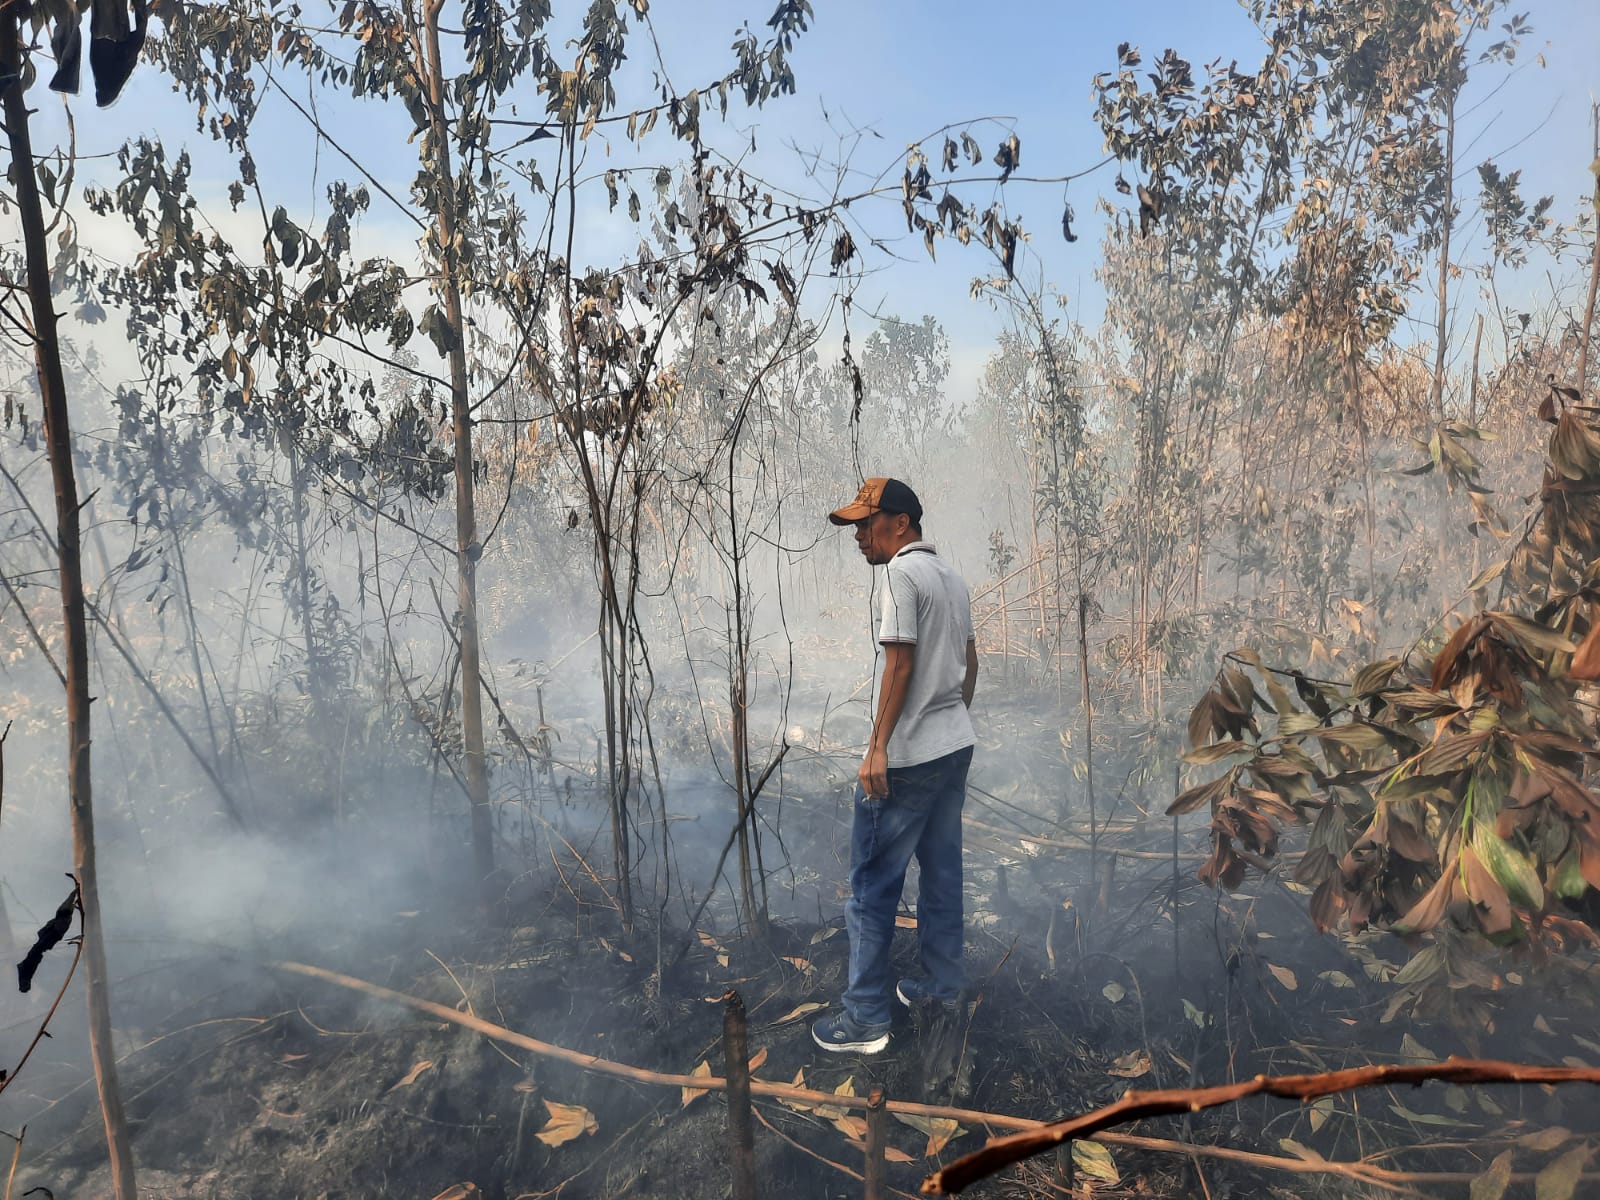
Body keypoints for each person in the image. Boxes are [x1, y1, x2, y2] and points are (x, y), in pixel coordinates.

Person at [812, 478, 978, 1054]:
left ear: (900, 523)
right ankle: (941, 988)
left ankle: (864, 1018)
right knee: (941, 874)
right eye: (856, 526)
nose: (859, 535)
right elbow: (969, 663)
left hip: (908, 761)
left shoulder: (901, 575)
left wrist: (878, 747)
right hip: (954, 748)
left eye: (867, 523)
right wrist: (949, 720)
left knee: (871, 888)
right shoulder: (952, 580)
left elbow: (900, 664)